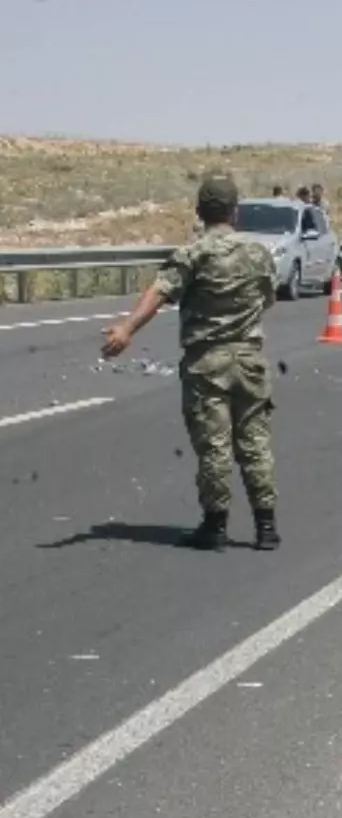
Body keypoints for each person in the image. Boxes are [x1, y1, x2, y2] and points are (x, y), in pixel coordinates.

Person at [101, 173, 281, 552]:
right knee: (255, 444)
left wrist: (127, 328)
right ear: (235, 211)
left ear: (200, 211)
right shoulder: (259, 253)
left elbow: (160, 291)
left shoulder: (194, 253)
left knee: (215, 446)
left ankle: (215, 526)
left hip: (208, 364)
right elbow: (268, 298)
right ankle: (266, 527)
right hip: (249, 361)